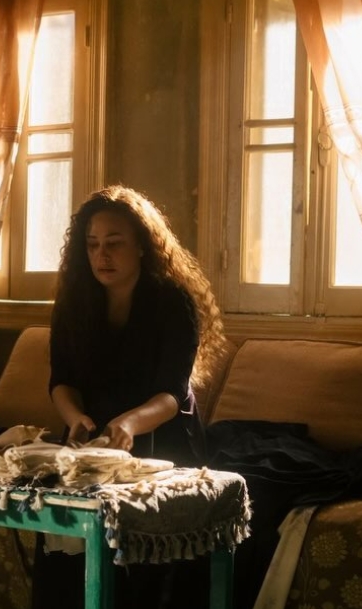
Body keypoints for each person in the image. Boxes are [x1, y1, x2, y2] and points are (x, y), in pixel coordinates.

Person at [32, 184, 231, 609]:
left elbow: (172, 394)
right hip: (92, 441)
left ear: (142, 245)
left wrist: (128, 424)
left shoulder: (172, 302)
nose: (102, 255)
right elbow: (61, 380)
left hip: (164, 438)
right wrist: (74, 417)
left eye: (114, 243)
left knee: (143, 573)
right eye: (92, 245)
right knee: (62, 549)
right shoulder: (74, 302)